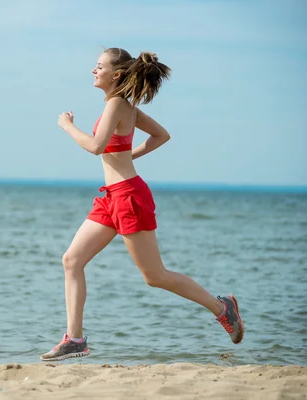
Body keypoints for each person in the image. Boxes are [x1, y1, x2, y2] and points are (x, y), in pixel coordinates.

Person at [40, 48, 244, 362]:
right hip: (111, 196)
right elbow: (161, 135)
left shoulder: (117, 103)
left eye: (99, 66)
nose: (93, 71)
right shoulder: (124, 106)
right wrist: (124, 157)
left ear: (117, 74)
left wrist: (67, 125)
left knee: (154, 275)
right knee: (72, 260)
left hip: (128, 197)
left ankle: (222, 308)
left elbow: (95, 147)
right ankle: (75, 339)